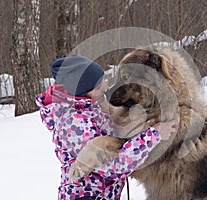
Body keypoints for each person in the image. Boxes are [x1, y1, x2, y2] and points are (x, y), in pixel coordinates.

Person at [35, 55, 176, 200]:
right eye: (98, 85)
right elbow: (115, 165)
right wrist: (154, 134)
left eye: (103, 80)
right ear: (83, 91)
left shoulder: (91, 108)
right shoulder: (73, 123)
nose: (105, 87)